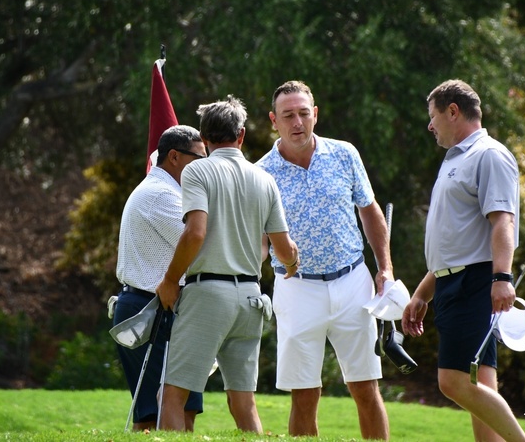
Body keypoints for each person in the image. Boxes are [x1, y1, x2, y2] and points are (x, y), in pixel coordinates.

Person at [256, 80, 393, 440]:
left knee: (365, 388)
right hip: (296, 288)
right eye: (288, 115)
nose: (297, 122)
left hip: (353, 283)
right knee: (304, 396)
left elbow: (370, 211)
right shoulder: (261, 173)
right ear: (274, 120)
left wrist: (385, 268)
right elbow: (258, 242)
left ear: (315, 114)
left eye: (304, 113)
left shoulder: (344, 154)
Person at [156, 95, 300, 433]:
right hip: (251, 299)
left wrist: (170, 280)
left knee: (171, 396)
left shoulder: (197, 171)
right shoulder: (264, 179)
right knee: (243, 403)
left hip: (208, 295)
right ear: (242, 134)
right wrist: (293, 263)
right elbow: (283, 249)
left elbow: (195, 233)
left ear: (204, 138)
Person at [401, 79, 525, 442]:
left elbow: (502, 221)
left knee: (453, 381)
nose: (430, 125)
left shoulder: (488, 155)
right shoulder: (454, 159)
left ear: (453, 111)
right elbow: (454, 243)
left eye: (433, 116)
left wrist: (502, 277)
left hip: (475, 283)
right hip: (452, 283)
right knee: (479, 381)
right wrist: (422, 294)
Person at [113, 125, 207, 431]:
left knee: (183, 411)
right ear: (175, 157)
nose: (205, 166)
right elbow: (201, 243)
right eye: (200, 158)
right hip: (150, 309)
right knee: (154, 416)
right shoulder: (161, 195)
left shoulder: (169, 191)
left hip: (163, 309)